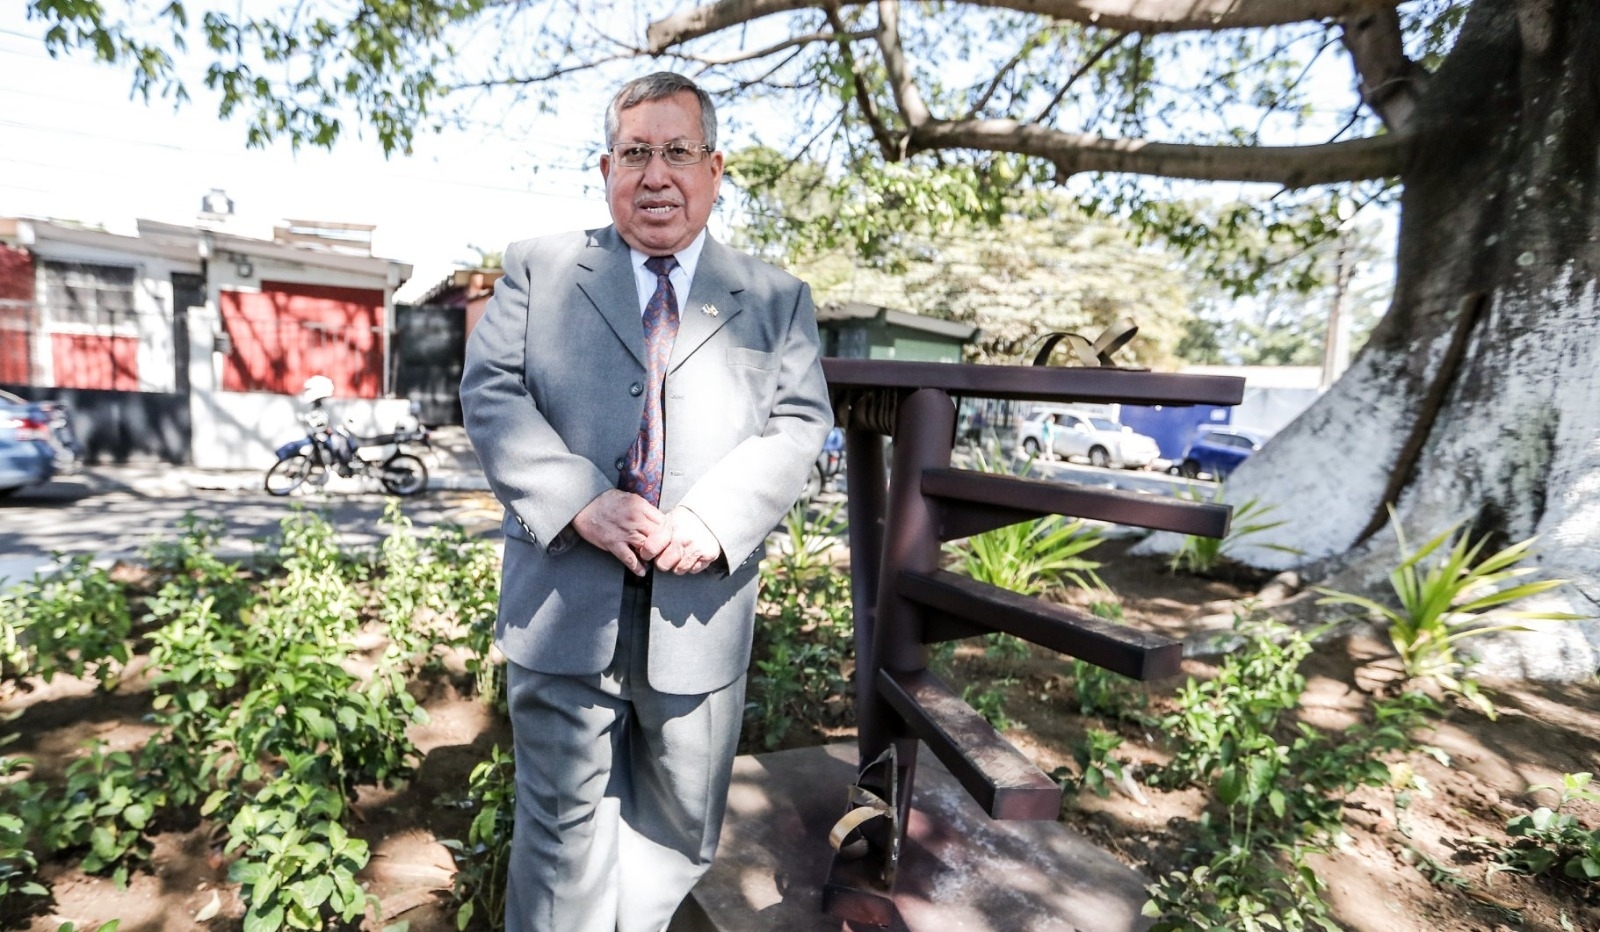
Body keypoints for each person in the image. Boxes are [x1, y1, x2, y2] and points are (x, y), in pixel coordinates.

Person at [459, 72, 832, 932]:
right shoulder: (539, 268)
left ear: (715, 167)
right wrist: (579, 499)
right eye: (635, 153)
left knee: (678, 832)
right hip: (562, 602)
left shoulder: (777, 300)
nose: (655, 174)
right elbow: (492, 394)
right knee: (559, 841)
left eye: (676, 152)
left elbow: (798, 423)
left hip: (700, 613)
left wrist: (715, 519)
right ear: (605, 167)